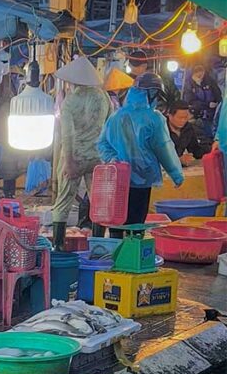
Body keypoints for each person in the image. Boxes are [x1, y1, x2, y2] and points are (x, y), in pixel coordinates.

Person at [97, 72, 184, 237]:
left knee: (118, 219)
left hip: (118, 177)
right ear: (151, 94)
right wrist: (176, 174)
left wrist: (112, 159)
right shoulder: (154, 119)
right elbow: (163, 148)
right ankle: (132, 256)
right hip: (143, 179)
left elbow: (102, 144)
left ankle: (117, 254)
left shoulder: (116, 117)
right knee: (136, 223)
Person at [51, 56, 112, 249]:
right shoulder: (104, 97)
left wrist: (68, 162)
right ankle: (98, 246)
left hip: (74, 156)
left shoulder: (70, 102)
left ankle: (58, 247)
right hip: (97, 157)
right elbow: (108, 126)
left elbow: (67, 136)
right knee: (98, 203)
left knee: (63, 202)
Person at [183, 64, 223, 131]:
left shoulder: (210, 81)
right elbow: (190, 101)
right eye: (196, 71)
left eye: (201, 70)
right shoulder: (189, 85)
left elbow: (218, 94)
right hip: (199, 115)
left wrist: (217, 104)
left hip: (213, 113)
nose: (199, 73)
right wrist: (208, 104)